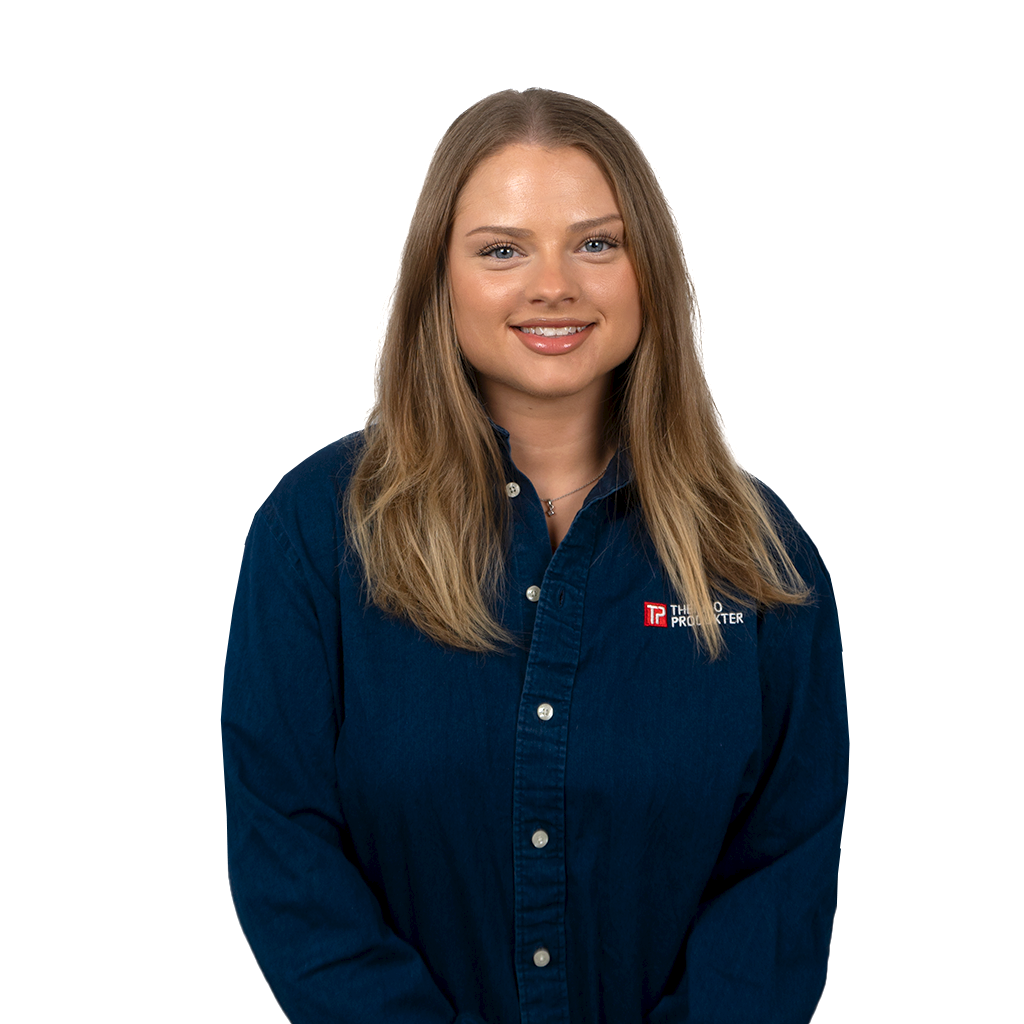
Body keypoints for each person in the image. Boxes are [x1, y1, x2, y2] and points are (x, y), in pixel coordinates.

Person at [222, 88, 848, 1024]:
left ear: (649, 270)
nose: (553, 285)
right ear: (439, 277)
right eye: (502, 249)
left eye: (596, 243)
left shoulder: (759, 557)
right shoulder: (316, 534)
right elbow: (287, 856)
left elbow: (782, 877)